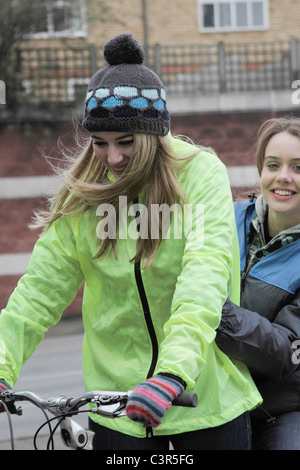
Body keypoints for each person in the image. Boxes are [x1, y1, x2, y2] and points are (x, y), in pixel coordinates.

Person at [0, 33, 261, 450]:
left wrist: (173, 374)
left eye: (126, 143)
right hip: (115, 417)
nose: (113, 158)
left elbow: (205, 277)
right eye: (99, 143)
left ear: (155, 136)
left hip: (206, 409)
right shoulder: (83, 194)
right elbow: (39, 292)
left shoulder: (201, 174)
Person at [216, 116, 300, 450]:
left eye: (298, 167)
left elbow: (287, 352)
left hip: (279, 408)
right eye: (273, 165)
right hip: (213, 400)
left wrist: (215, 313)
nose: (284, 177)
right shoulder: (224, 218)